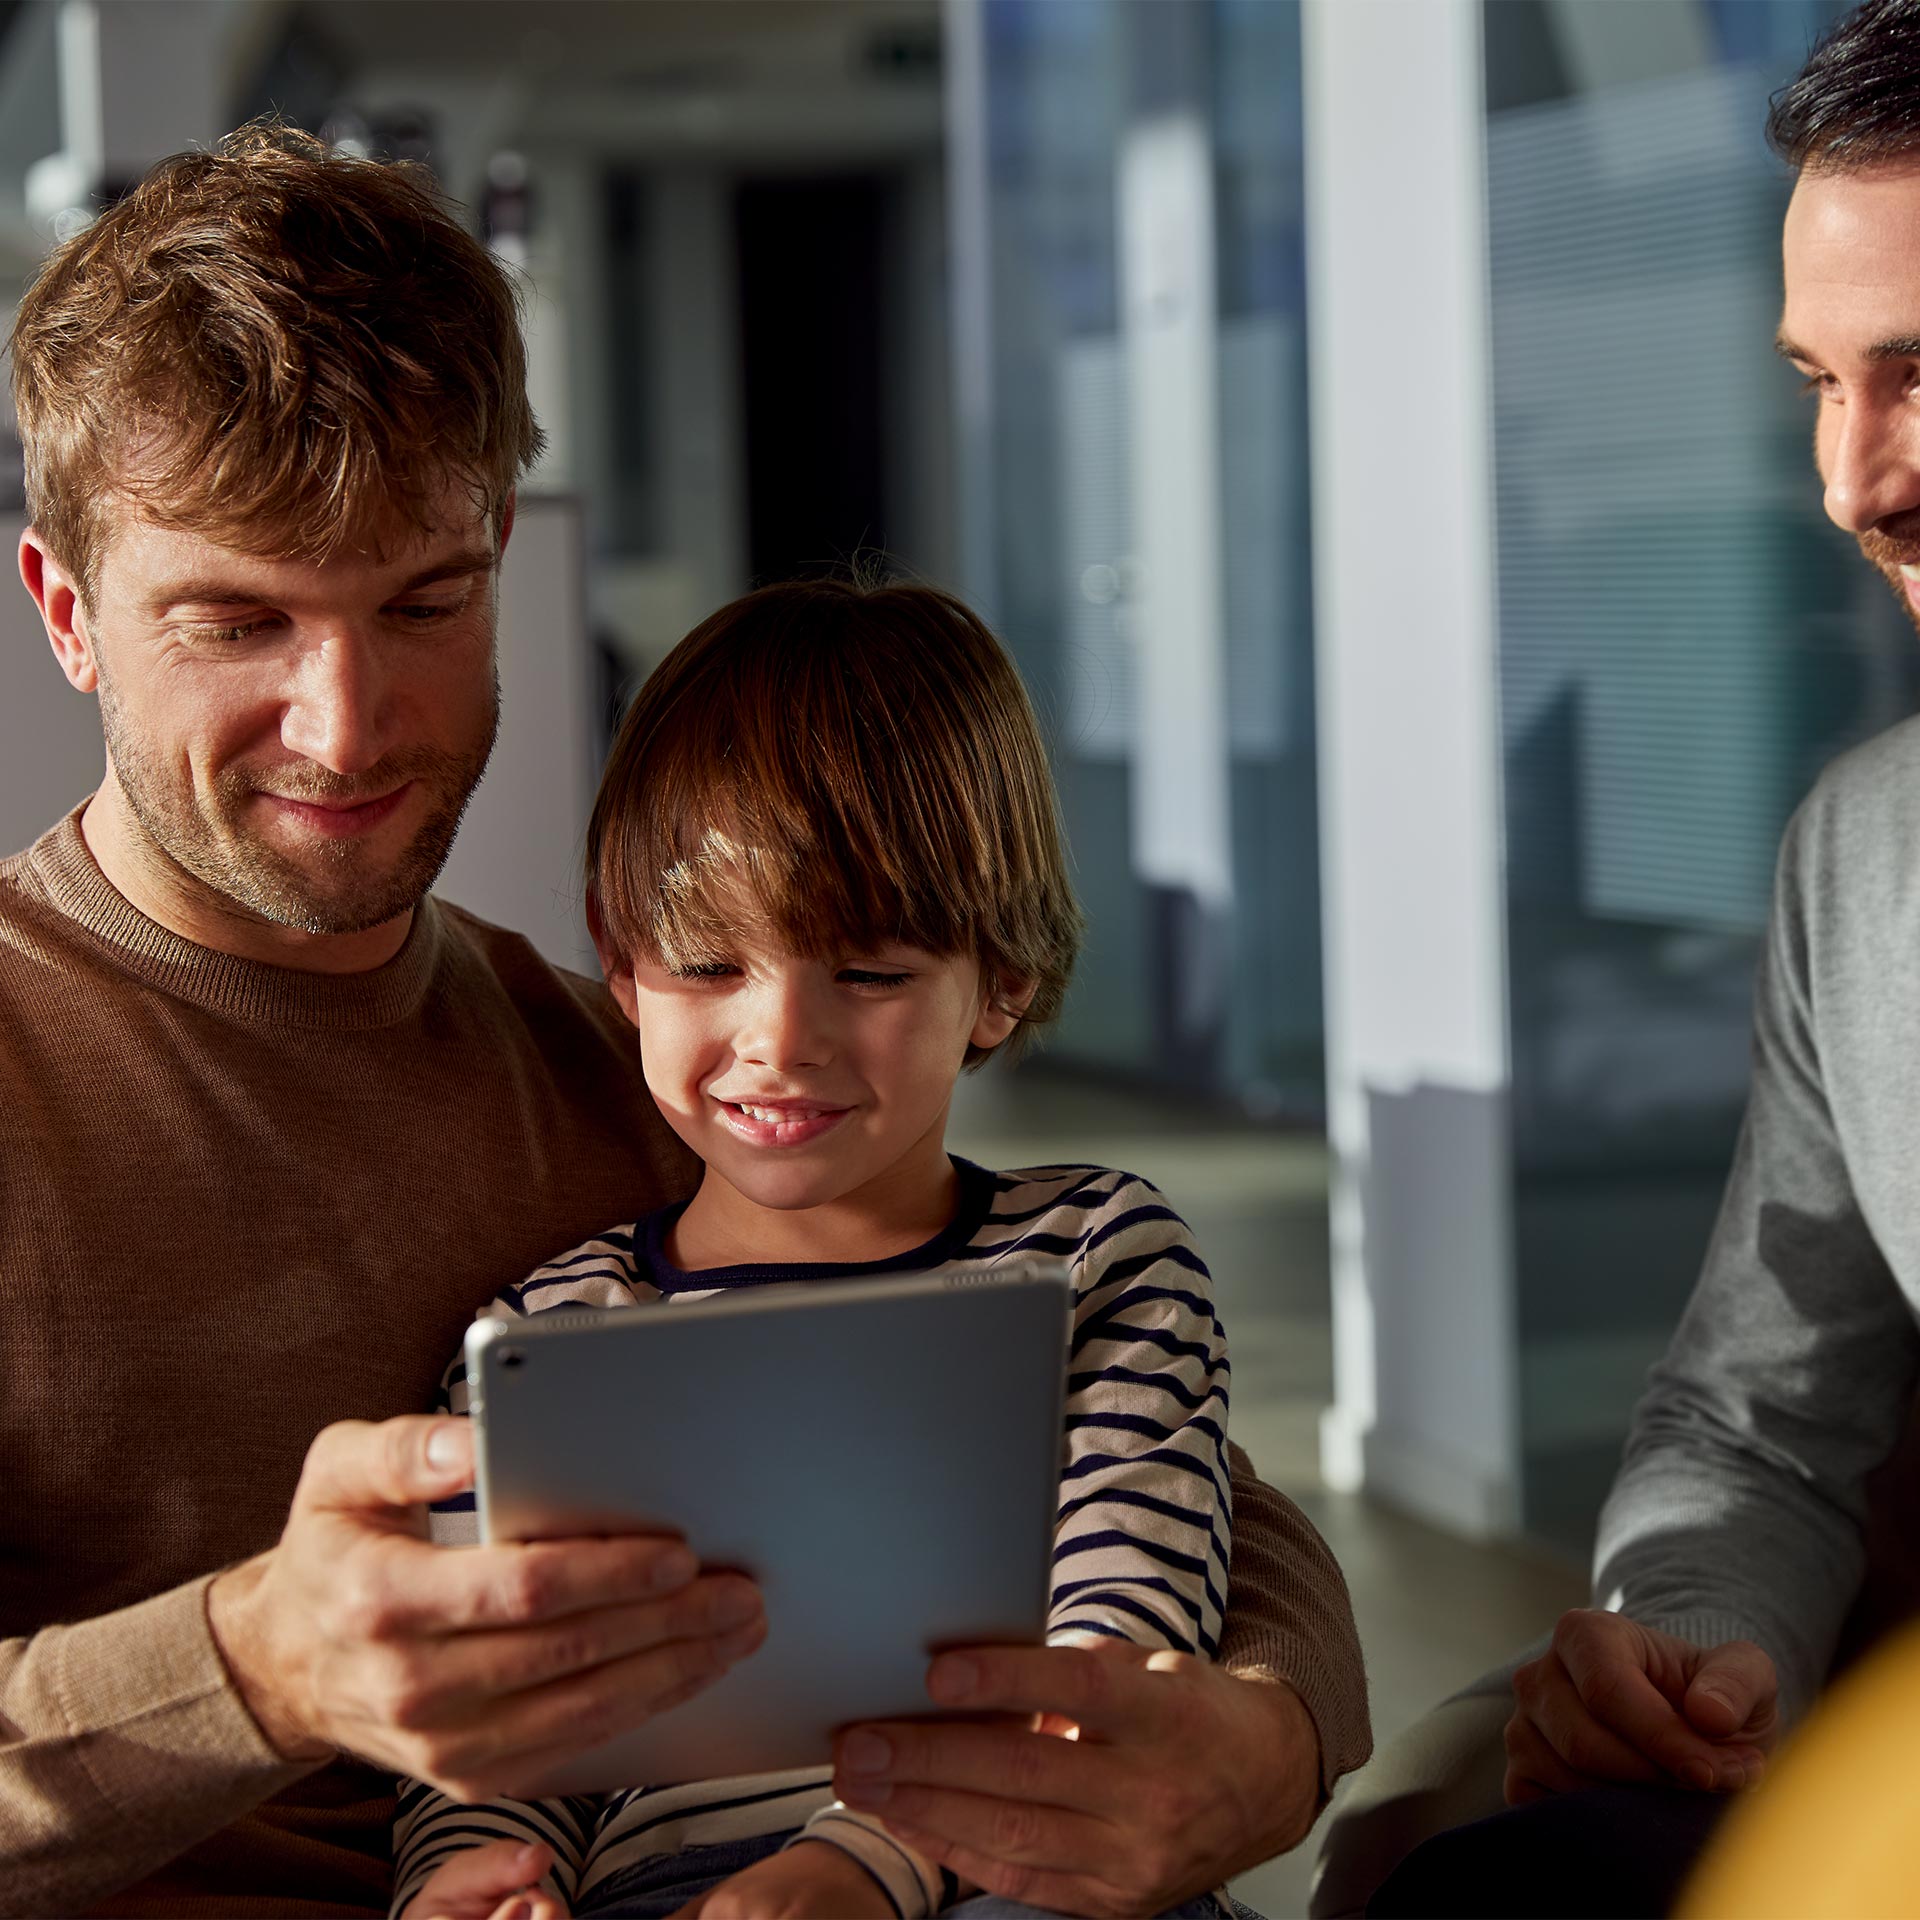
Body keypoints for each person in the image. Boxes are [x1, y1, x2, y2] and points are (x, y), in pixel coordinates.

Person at [0, 123, 1371, 1917]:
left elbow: (1155, 1471)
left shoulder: (637, 1064)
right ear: (66, 613)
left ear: (503, 554)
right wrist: (250, 1670)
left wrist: (1272, 1738)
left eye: (425, 601)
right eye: (237, 622)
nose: (345, 724)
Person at [394, 577, 1234, 1920]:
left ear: (999, 980)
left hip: (1008, 1867)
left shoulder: (1096, 1258)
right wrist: (470, 1880)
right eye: (711, 965)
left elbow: (1115, 1653)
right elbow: (496, 1723)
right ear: (621, 966)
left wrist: (866, 1862)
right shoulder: (545, 1338)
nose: (781, 1041)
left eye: (871, 972)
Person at [1354, 2, 1920, 1912]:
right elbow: (1752, 1419)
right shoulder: (1865, 855)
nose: (1856, 483)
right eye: (1819, 383)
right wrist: (1703, 1647)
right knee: (1454, 1874)